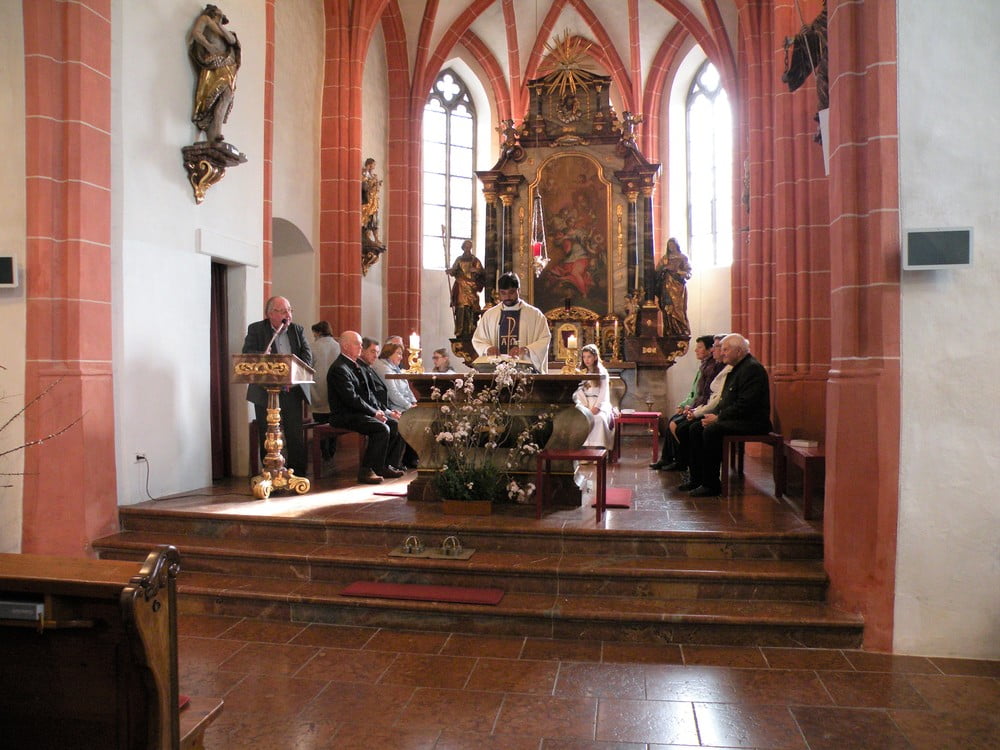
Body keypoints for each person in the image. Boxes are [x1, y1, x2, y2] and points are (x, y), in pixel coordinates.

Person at [681, 334, 772, 497]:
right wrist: (713, 415)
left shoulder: (751, 369)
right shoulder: (736, 368)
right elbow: (725, 400)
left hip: (752, 421)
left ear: (739, 351)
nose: (721, 353)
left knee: (711, 430)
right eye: (721, 349)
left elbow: (746, 404)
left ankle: (711, 484)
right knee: (696, 427)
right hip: (736, 418)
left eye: (725, 350)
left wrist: (718, 418)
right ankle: (697, 479)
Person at [242, 296, 312, 476]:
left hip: (291, 391)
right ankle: (269, 473)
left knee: (294, 434)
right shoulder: (257, 329)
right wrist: (261, 355)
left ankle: (297, 474)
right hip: (265, 392)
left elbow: (307, 356)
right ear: (270, 314)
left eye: (289, 310)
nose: (288, 315)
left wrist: (294, 375)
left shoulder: (297, 330)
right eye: (283, 311)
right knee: (267, 434)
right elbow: (247, 354)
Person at [326, 332, 405, 484]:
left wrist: (381, 411)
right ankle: (366, 470)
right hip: (344, 415)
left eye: (361, 345)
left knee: (395, 425)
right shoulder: (339, 368)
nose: (360, 348)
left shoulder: (356, 365)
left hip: (359, 413)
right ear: (345, 346)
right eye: (357, 344)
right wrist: (374, 413)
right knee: (381, 429)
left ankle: (384, 466)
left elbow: (369, 395)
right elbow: (351, 399)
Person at [650, 334, 721, 469]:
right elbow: (695, 392)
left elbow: (705, 394)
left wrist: (692, 408)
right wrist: (685, 405)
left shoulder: (711, 367)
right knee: (673, 420)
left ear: (710, 349)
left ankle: (682, 461)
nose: (696, 350)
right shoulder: (705, 365)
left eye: (700, 347)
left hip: (703, 408)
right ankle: (668, 458)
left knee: (677, 425)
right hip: (697, 406)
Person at [472, 271, 551, 372]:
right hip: (495, 372)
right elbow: (478, 340)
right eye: (503, 293)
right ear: (498, 292)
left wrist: (526, 349)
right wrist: (487, 348)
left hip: (524, 371)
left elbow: (544, 339)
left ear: (518, 290)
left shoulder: (535, 315)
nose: (507, 297)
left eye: (511, 292)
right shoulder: (490, 315)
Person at [187, 4, 241, 144]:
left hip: (228, 63)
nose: (220, 16)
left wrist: (220, 26)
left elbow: (232, 40)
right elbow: (196, 33)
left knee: (227, 96)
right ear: (213, 13)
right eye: (218, 14)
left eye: (221, 16)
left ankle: (217, 132)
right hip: (213, 64)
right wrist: (208, 45)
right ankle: (213, 132)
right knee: (212, 95)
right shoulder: (206, 19)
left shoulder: (221, 29)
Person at [372, 341, 419, 469]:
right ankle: (401, 460)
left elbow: (407, 389)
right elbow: (393, 393)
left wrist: (414, 402)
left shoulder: (396, 367)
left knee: (419, 416)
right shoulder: (383, 368)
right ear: (389, 353)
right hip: (394, 406)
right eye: (398, 353)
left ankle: (410, 458)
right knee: (411, 420)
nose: (401, 357)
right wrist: (409, 406)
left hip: (402, 405)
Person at [309, 321, 341, 459]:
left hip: (318, 385)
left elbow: (308, 367)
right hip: (335, 386)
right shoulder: (338, 345)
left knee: (320, 421)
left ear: (318, 332)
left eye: (314, 333)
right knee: (333, 421)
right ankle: (332, 449)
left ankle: (323, 450)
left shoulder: (313, 346)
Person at [573, 344, 613, 449]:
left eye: (589, 356)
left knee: (599, 419)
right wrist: (583, 406)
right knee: (579, 420)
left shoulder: (602, 371)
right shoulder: (580, 372)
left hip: (599, 404)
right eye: (584, 357)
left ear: (595, 357)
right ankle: (583, 449)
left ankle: (599, 448)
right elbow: (578, 391)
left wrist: (597, 407)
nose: (586, 360)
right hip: (584, 404)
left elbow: (604, 392)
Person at [448, 240, 486, 339]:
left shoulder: (475, 260)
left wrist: (476, 270)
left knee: (471, 309)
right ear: (463, 248)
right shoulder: (459, 259)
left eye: (469, 247)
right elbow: (454, 270)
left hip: (471, 287)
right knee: (461, 308)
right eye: (466, 247)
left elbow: (482, 272)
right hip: (461, 286)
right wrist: (450, 271)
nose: (467, 249)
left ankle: (471, 330)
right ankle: (460, 331)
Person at [654, 237, 692, 337]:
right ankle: (669, 330)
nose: (671, 247)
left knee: (678, 308)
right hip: (666, 286)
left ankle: (681, 330)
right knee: (667, 308)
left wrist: (678, 271)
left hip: (678, 286)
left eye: (672, 245)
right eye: (669, 245)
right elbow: (657, 272)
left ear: (676, 245)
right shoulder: (665, 258)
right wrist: (665, 268)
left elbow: (688, 272)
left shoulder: (683, 257)